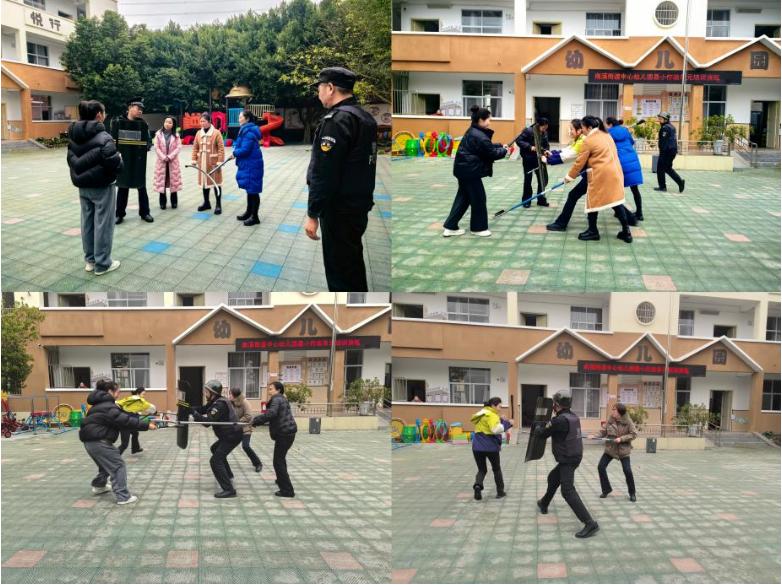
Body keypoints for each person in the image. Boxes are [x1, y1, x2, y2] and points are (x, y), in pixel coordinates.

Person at [305, 66, 378, 292]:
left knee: (340, 273)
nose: (318, 93)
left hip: (338, 210)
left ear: (330, 88)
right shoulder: (364, 117)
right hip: (358, 206)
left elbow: (324, 173)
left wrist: (312, 214)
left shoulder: (336, 121)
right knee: (352, 264)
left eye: (319, 87)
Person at [66, 100, 123, 276]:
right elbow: (114, 163)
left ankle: (90, 261)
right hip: (102, 186)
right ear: (99, 115)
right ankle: (103, 263)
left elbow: (71, 159)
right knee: (103, 224)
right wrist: (120, 159)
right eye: (104, 112)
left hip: (83, 186)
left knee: (87, 223)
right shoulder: (104, 137)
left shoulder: (73, 135)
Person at [78, 379, 156, 504]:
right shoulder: (108, 406)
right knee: (118, 466)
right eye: (118, 392)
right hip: (99, 441)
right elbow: (123, 420)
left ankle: (99, 486)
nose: (119, 394)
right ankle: (123, 496)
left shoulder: (99, 405)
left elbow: (120, 419)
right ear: (110, 391)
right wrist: (147, 425)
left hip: (90, 442)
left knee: (105, 465)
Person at [534, 391, 599, 539]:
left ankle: (590, 523)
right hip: (574, 456)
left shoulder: (559, 421)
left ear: (556, 405)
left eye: (554, 404)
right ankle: (544, 503)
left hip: (568, 459)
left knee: (567, 491)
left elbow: (542, 433)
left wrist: (537, 427)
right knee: (553, 478)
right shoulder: (573, 417)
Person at [563, 115, 632, 243]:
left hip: (600, 175)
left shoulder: (589, 140)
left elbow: (579, 162)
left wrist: (569, 177)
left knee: (593, 201)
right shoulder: (606, 135)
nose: (582, 130)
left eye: (583, 127)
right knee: (615, 201)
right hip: (615, 172)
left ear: (589, 128)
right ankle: (626, 232)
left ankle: (593, 231)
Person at [443, 105, 507, 238]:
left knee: (463, 198)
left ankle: (450, 227)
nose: (490, 122)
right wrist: (504, 151)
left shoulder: (473, 131)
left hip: (463, 170)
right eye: (488, 119)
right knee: (478, 199)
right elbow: (491, 153)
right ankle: (478, 229)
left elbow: (485, 147)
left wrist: (500, 146)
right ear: (481, 120)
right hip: (470, 172)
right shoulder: (479, 135)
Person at [180, 380, 244, 498]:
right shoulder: (215, 401)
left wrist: (193, 413)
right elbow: (203, 409)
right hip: (228, 435)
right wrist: (187, 407)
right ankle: (228, 475)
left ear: (213, 392)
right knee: (215, 449)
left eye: (206, 391)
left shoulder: (219, 405)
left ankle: (229, 490)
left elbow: (207, 422)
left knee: (215, 461)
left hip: (232, 436)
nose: (205, 393)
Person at [252, 381, 298, 497]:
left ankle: (287, 490)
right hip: (288, 432)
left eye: (271, 389)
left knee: (278, 461)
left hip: (284, 433)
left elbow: (271, 414)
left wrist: (255, 421)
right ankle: (281, 480)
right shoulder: (282, 398)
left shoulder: (277, 399)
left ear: (278, 390)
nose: (269, 391)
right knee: (280, 459)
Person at [111, 98, 153, 224]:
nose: (140, 111)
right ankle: (119, 214)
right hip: (123, 160)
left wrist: (147, 146)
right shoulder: (118, 122)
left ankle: (145, 212)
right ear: (129, 107)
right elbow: (113, 142)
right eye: (138, 108)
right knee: (123, 186)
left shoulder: (143, 124)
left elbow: (149, 141)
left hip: (139, 161)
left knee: (141, 187)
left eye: (142, 109)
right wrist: (117, 154)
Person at [590, 403, 638, 501]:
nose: (612, 411)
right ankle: (606, 489)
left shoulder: (628, 421)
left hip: (623, 450)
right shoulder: (610, 420)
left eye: (614, 410)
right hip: (610, 449)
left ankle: (632, 493)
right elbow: (603, 431)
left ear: (620, 412)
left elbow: (634, 434)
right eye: (612, 409)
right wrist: (595, 436)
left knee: (627, 471)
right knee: (601, 467)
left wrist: (621, 439)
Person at [470, 397, 513, 500]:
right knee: (496, 469)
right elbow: (495, 429)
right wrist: (508, 423)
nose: (500, 409)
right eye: (499, 406)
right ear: (493, 405)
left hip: (477, 447)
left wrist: (501, 420)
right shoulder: (492, 415)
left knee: (482, 469)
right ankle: (500, 492)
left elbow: (487, 425)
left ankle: (477, 486)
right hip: (490, 447)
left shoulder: (481, 413)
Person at [606, 117, 644, 221]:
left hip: (620, 161)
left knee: (618, 189)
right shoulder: (625, 130)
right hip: (632, 159)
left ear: (610, 124)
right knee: (635, 189)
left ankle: (619, 212)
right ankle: (639, 213)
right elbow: (631, 142)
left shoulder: (609, 133)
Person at [233, 110, 264, 227]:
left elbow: (245, 150)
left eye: (241, 117)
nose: (239, 119)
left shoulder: (249, 132)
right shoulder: (246, 130)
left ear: (247, 119)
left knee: (253, 191)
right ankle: (248, 212)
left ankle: (255, 217)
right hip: (249, 164)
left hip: (252, 165)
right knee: (250, 189)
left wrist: (234, 153)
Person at [512, 117, 551, 208]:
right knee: (528, 180)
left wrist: (546, 151)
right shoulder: (528, 131)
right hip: (528, 159)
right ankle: (526, 201)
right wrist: (530, 147)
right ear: (538, 125)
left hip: (540, 159)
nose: (544, 130)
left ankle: (541, 200)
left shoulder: (544, 132)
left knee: (543, 180)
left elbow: (546, 144)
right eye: (543, 128)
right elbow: (519, 140)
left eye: (546, 128)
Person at [192, 113, 225, 214]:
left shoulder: (216, 133)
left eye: (204, 121)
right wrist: (194, 159)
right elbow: (195, 147)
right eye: (201, 121)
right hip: (202, 162)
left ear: (209, 121)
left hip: (213, 163)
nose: (202, 123)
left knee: (216, 183)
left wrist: (220, 161)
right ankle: (206, 203)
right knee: (204, 183)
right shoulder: (198, 133)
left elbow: (221, 148)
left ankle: (218, 205)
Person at [153, 116, 183, 210]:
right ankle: (162, 203)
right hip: (161, 162)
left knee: (173, 182)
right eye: (166, 122)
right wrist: (163, 157)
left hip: (172, 162)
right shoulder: (158, 134)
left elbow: (178, 147)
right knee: (162, 182)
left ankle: (174, 202)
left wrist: (170, 156)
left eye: (170, 122)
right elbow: (156, 147)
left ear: (173, 125)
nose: (167, 124)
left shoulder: (176, 135)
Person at [116, 386, 156, 455]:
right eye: (143, 394)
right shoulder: (138, 399)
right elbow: (150, 407)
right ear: (138, 393)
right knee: (124, 444)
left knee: (135, 433)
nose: (143, 396)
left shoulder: (131, 398)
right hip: (126, 423)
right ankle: (112, 457)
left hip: (127, 420)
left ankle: (135, 448)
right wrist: (155, 411)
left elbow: (119, 403)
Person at [230, 387, 262, 472]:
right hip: (236, 428)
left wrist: (238, 421)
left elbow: (248, 416)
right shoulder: (231, 402)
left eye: (230, 394)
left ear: (235, 395)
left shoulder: (244, 402)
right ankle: (221, 461)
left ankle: (258, 463)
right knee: (225, 443)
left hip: (245, 428)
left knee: (246, 446)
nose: (229, 396)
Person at [655, 111, 685, 193]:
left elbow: (664, 142)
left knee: (660, 168)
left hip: (667, 151)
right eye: (659, 118)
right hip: (672, 151)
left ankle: (662, 187)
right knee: (667, 168)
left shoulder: (665, 128)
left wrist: (662, 153)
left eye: (661, 118)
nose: (659, 120)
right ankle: (680, 182)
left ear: (666, 119)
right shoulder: (671, 126)